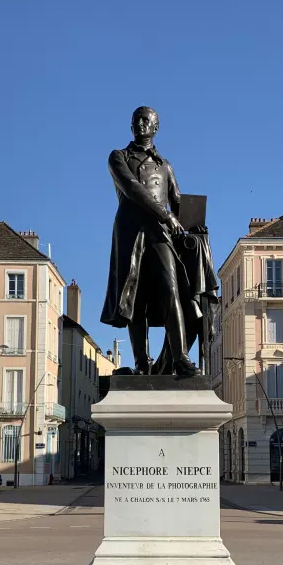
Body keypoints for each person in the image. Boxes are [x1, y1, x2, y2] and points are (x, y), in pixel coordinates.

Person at [100, 106, 200, 376]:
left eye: (146, 120)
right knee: (135, 298)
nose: (141, 124)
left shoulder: (165, 165)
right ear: (131, 126)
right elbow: (132, 189)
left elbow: (177, 201)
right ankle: (142, 364)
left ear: (156, 127)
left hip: (159, 233)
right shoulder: (118, 156)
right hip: (131, 231)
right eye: (136, 120)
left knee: (171, 289)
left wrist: (199, 227)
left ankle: (180, 358)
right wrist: (167, 216)